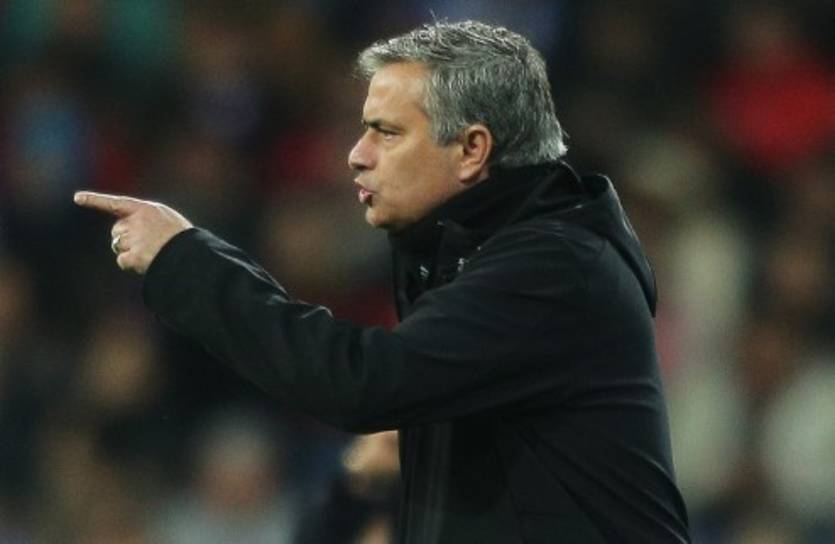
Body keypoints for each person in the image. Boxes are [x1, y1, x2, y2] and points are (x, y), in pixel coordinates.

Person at [75, 20, 690, 543]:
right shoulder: (466, 254)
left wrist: (184, 258)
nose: (358, 153)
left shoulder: (554, 267)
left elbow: (361, 383)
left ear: (472, 149)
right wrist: (354, 490)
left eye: (387, 132)